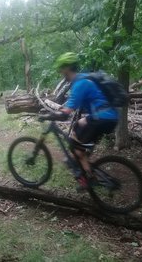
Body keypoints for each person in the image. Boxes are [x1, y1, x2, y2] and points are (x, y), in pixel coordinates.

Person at [42, 52, 119, 191]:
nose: (60, 72)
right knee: (78, 128)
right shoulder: (82, 79)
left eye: (61, 69)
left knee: (77, 149)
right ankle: (82, 163)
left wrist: (48, 116)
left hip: (102, 118)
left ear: (67, 68)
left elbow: (66, 113)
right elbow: (76, 106)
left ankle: (89, 179)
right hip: (105, 116)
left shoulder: (80, 83)